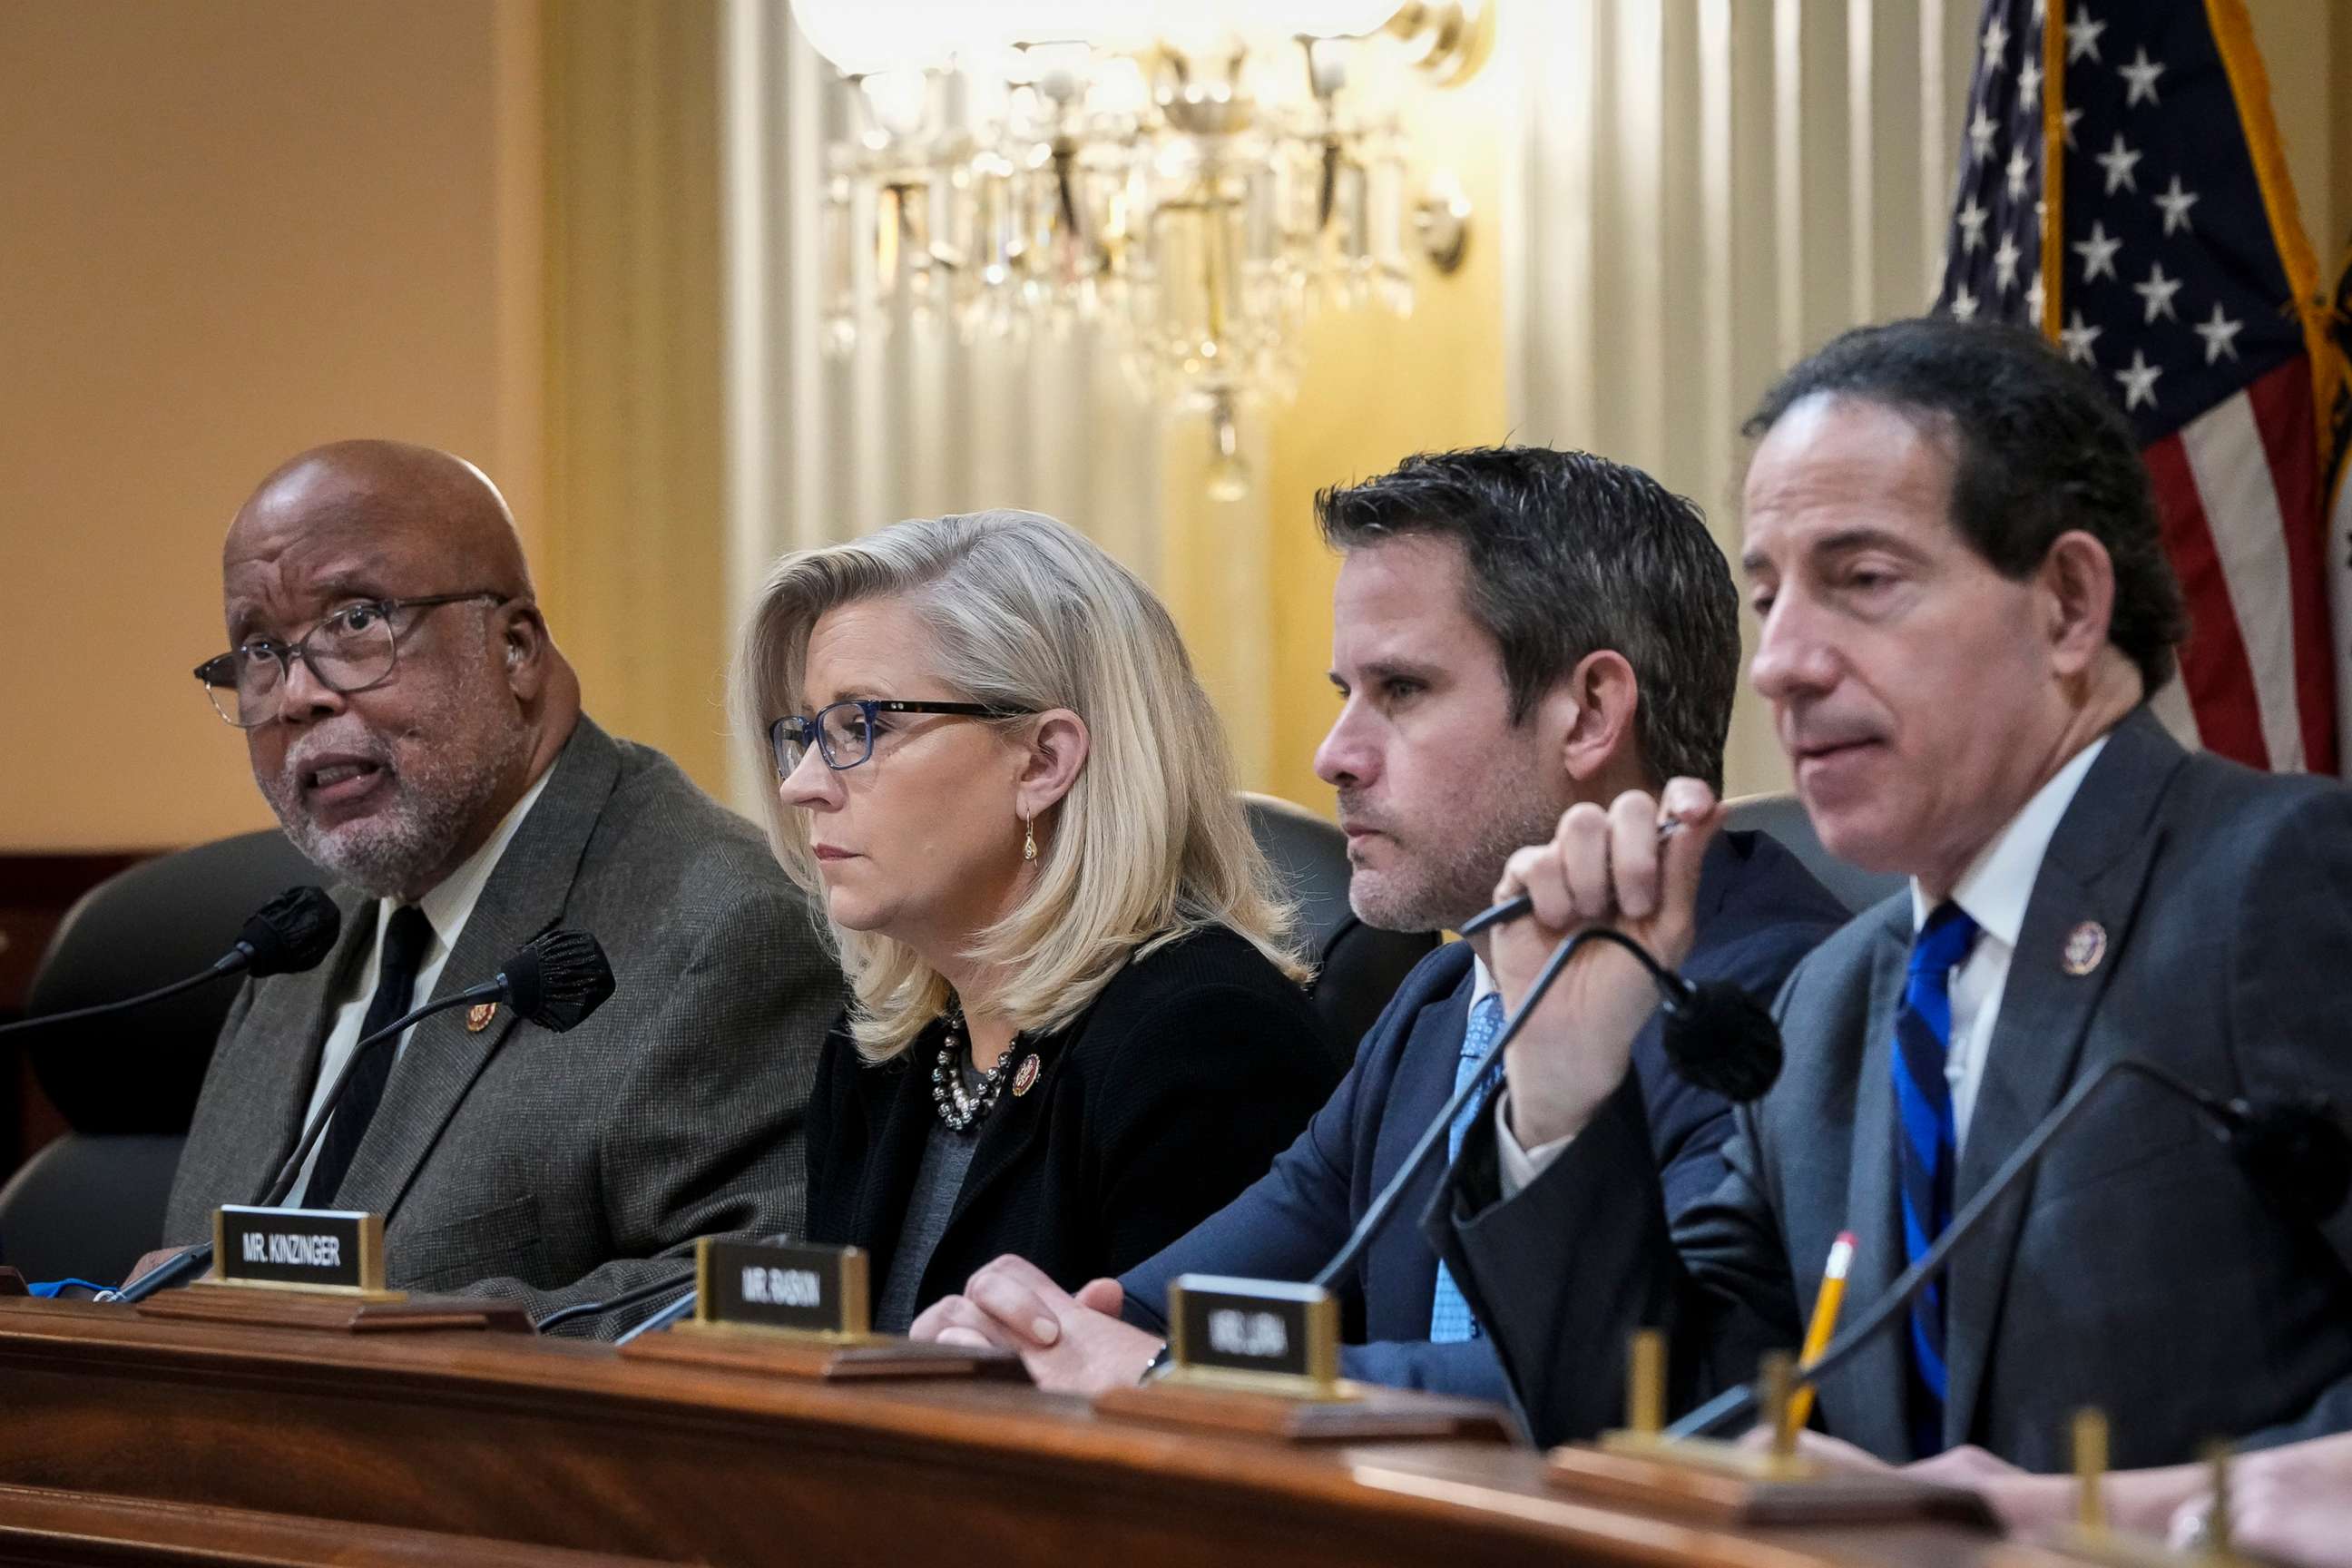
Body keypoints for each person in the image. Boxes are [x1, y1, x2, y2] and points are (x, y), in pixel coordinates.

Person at [1439, 318, 2352, 1463]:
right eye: (1769, 598)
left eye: (1863, 580)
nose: (1780, 663)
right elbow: (1666, 1431)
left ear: (2068, 604)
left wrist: (2128, 1521)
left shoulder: (2279, 883)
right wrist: (1565, 1098)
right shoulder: (1831, 1004)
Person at [907, 447, 1847, 1408]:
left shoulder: (1784, 1007)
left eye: (1400, 691)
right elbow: (1167, 1306)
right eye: (1341, 694)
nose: (1333, 756)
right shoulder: (1438, 1005)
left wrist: (1163, 1373)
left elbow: (1652, 1391)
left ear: (1590, 714)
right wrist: (1020, 1333)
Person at [157, 440, 838, 1334]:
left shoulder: (720, 929)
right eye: (258, 652)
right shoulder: (297, 949)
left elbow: (758, 1307)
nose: (296, 698)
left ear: (516, 648)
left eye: (357, 623)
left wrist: (388, 1333)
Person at [738, 510, 1341, 1333]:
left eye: (859, 727)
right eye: (807, 734)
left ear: (1045, 761)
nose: (801, 784)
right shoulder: (878, 1049)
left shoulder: (1202, 1043)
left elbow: (1193, 1417)